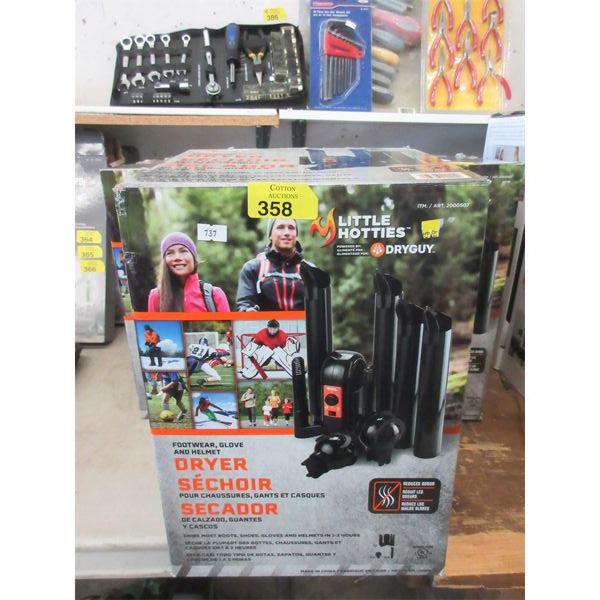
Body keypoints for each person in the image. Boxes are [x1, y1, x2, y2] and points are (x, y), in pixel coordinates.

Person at [148, 232, 230, 312]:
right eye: (170, 253)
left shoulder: (214, 294)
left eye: (183, 251)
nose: (177, 257)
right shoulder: (156, 296)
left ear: (194, 258)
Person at [236, 219, 307, 311]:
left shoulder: (310, 271)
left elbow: (319, 308)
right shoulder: (253, 268)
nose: (287, 232)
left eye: (291, 228)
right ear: (270, 235)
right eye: (280, 227)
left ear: (296, 234)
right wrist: (247, 311)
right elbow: (244, 305)